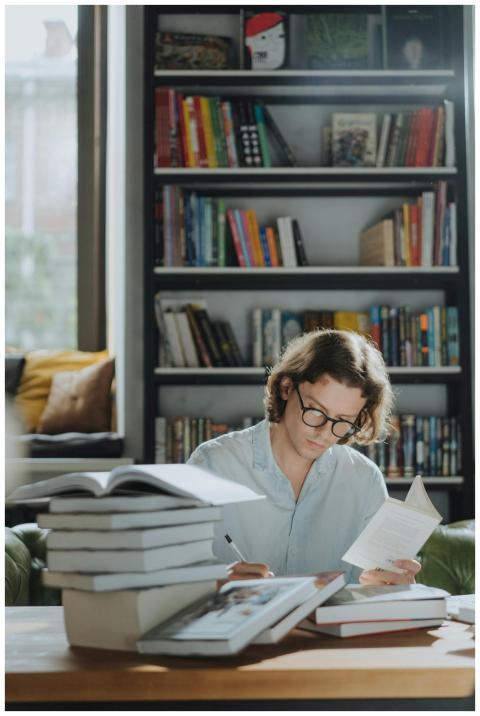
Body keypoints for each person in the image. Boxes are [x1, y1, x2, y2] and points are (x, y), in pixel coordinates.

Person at [188, 329, 421, 586]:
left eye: (343, 421)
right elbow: (171, 578)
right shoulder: (212, 464)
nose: (323, 432)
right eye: (315, 411)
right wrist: (213, 581)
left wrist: (391, 584)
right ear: (287, 388)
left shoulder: (364, 481)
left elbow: (375, 590)